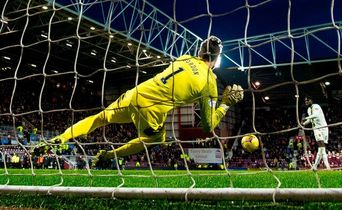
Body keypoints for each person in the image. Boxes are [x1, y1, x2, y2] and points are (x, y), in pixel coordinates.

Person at [32, 36, 244, 167]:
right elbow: (208, 126)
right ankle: (108, 155)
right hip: (151, 110)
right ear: (216, 60)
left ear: (199, 51)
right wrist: (225, 103)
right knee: (155, 139)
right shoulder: (209, 82)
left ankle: (61, 138)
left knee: (100, 118)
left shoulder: (184, 58)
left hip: (135, 93)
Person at [302, 96, 331, 170]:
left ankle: (315, 166)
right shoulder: (309, 109)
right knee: (321, 146)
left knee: (322, 148)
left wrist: (306, 118)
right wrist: (304, 123)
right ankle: (326, 166)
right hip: (317, 129)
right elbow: (311, 119)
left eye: (307, 100)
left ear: (311, 100)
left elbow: (316, 115)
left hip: (324, 128)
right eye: (305, 101)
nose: (306, 102)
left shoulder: (316, 106)